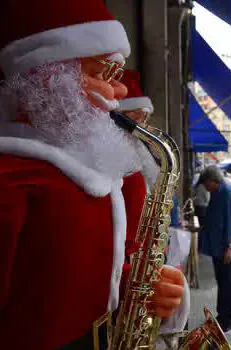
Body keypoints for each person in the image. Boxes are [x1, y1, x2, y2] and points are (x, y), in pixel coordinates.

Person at [0, 1, 188, 348]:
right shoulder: (12, 180)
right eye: (103, 75)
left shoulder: (96, 177)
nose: (119, 96)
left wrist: (143, 288)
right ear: (48, 79)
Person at [199, 166, 231, 331]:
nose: (206, 188)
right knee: (222, 281)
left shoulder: (227, 191)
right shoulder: (219, 191)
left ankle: (228, 318)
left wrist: (229, 246)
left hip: (226, 247)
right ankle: (222, 314)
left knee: (228, 282)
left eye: (206, 184)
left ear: (212, 180)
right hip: (219, 247)